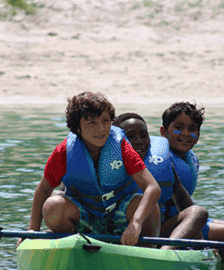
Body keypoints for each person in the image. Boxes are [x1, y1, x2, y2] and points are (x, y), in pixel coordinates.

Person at [18, 92, 161, 248]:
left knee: (149, 206)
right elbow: (43, 189)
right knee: (53, 206)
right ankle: (72, 247)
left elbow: (153, 188)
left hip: (120, 217)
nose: (101, 128)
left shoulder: (121, 146)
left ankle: (147, 251)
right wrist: (32, 230)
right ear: (77, 127)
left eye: (105, 121)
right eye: (92, 123)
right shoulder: (64, 151)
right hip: (85, 218)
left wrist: (135, 223)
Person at [160, 102, 224, 263]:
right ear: (163, 132)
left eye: (192, 129)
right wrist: (201, 243)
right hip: (162, 227)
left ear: (198, 135)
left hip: (179, 219)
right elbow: (182, 203)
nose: (185, 134)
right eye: (178, 127)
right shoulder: (161, 160)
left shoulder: (190, 158)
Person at [113, 112, 208, 250]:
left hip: (153, 231)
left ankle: (165, 252)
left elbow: (182, 200)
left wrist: (201, 245)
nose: (139, 141)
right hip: (115, 229)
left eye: (144, 135)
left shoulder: (161, 163)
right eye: (130, 136)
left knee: (198, 212)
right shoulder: (107, 164)